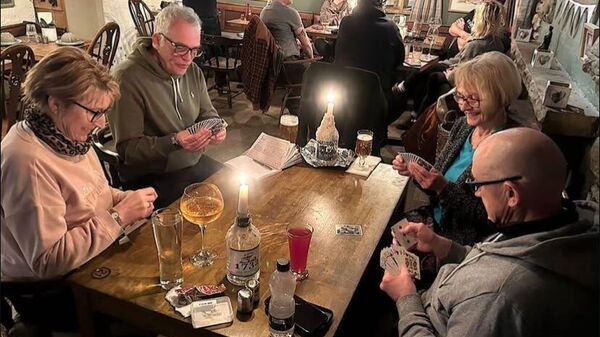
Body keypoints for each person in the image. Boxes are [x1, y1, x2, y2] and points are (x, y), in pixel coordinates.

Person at [380, 127, 599, 337]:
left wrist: (406, 298)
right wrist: (441, 245)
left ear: (511, 194)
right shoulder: (557, 222)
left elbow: (492, 284)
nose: (476, 193)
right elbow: (495, 258)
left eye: (478, 184)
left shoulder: (497, 299)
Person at [1, 47, 157, 332]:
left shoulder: (67, 136)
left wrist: (124, 199)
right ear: (56, 103)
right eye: (94, 113)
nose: (101, 124)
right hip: (48, 291)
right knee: (147, 310)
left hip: (89, 261)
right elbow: (47, 262)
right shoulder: (27, 161)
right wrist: (119, 216)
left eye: (104, 112)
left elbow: (93, 192)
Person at [393, 52, 523, 245]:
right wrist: (417, 173)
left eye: (473, 99)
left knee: (394, 259)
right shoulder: (464, 126)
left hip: (461, 242)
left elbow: (490, 220)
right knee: (382, 237)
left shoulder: (509, 148)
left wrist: (443, 188)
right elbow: (438, 181)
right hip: (434, 219)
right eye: (460, 96)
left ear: (500, 96)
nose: (463, 106)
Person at [110, 5, 226, 208]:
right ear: (157, 40)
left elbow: (207, 112)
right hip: (152, 175)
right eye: (179, 47)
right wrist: (174, 141)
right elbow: (128, 151)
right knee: (197, 213)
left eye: (194, 50)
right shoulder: (127, 78)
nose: (188, 58)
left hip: (191, 162)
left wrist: (216, 128)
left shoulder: (193, 70)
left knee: (233, 190)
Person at [393, 0, 507, 121]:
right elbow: (453, 31)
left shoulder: (477, 44)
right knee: (429, 71)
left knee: (432, 73)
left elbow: (464, 67)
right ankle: (417, 115)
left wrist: (451, 72)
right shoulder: (495, 42)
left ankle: (413, 105)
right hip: (459, 67)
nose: (473, 22)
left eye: (476, 19)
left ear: (481, 20)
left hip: (465, 76)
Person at [334, 0, 404, 123]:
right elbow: (400, 60)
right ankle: (380, 130)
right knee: (405, 89)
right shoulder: (390, 27)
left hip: (344, 93)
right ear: (381, 3)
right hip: (376, 97)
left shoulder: (346, 23)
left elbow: (338, 53)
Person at [260, 0, 314, 114]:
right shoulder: (290, 13)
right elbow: (306, 44)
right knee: (314, 70)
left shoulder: (265, 11)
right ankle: (296, 104)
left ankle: (291, 99)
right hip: (288, 66)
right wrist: (312, 59)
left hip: (271, 66)